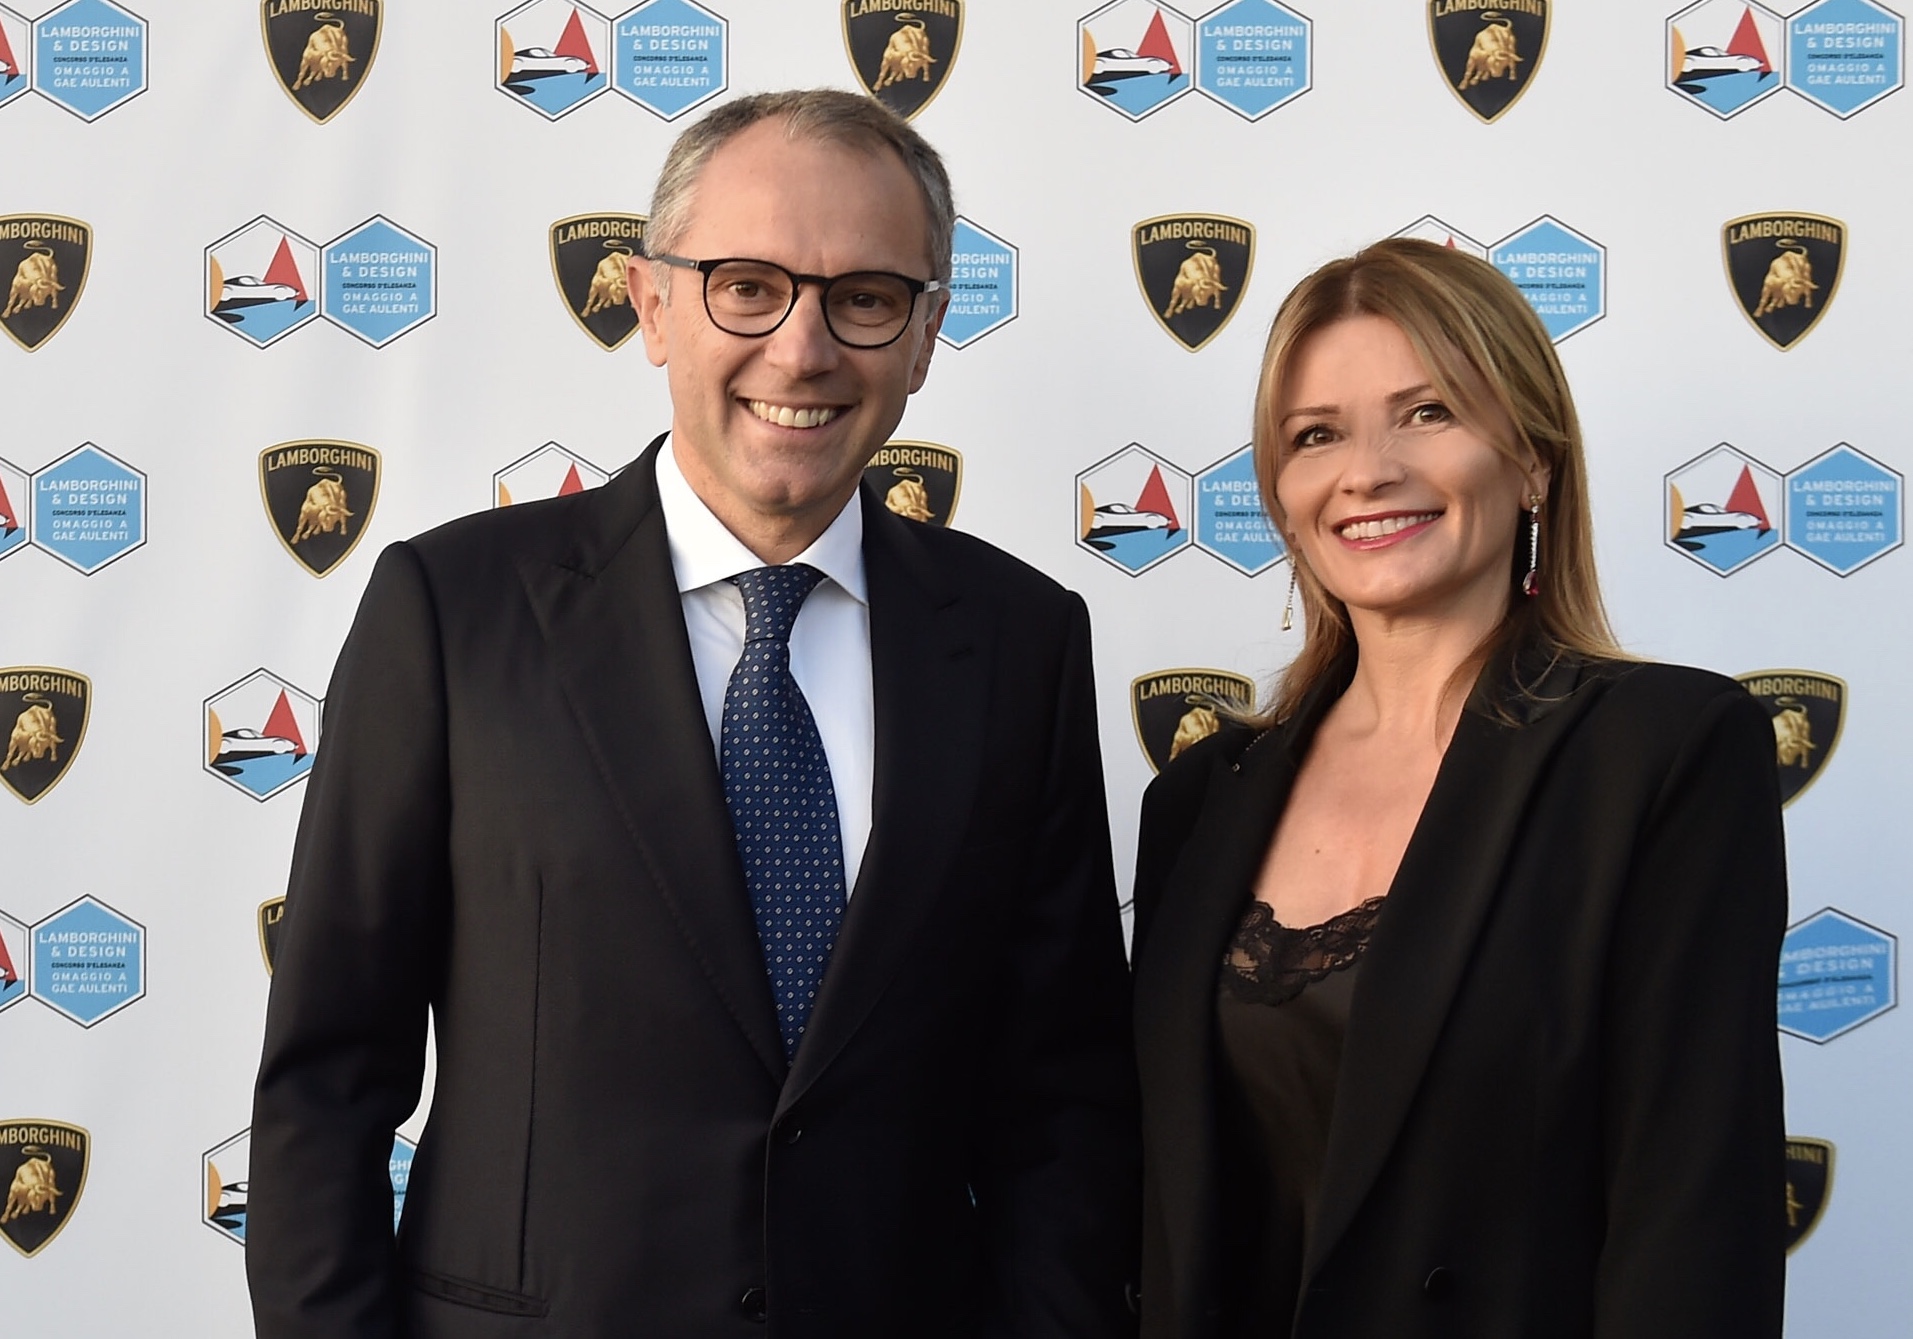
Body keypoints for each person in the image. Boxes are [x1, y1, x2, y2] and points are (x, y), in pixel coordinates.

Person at [248, 89, 1139, 1338]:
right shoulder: (452, 611)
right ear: (651, 303)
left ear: (926, 334)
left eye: (863, 297)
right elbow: (327, 1082)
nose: (802, 349)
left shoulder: (1018, 639)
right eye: (746, 287)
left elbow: (1062, 1106)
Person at [1129, 238, 1786, 1338]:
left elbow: (1692, 1217)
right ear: (1281, 495)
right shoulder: (1199, 799)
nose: (1366, 471)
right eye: (1315, 435)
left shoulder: (1662, 753)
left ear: (1531, 460)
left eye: (1426, 412)